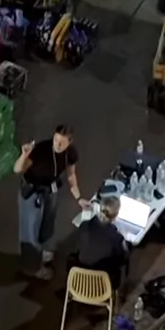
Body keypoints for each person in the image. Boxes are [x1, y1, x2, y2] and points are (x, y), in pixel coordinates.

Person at [14, 124, 88, 279]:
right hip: (33, 192)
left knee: (47, 226)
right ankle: (31, 267)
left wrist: (78, 197)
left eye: (62, 142)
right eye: (55, 140)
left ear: (70, 142)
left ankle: (40, 252)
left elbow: (70, 175)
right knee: (30, 231)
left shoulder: (70, 154)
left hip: (50, 190)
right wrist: (24, 155)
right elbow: (18, 169)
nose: (57, 145)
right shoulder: (41, 150)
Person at [70, 196, 129, 292]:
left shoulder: (84, 225)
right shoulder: (116, 237)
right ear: (116, 215)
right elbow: (122, 259)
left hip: (79, 279)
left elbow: (77, 245)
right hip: (101, 284)